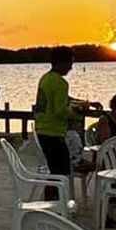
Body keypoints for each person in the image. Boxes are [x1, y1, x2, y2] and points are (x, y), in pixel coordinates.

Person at [33, 47, 77, 180]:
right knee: (61, 172)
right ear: (62, 63)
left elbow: (61, 98)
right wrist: (77, 115)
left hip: (42, 129)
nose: (71, 68)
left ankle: (53, 198)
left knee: (54, 170)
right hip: (54, 132)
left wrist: (82, 102)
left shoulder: (45, 78)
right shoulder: (61, 83)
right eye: (70, 63)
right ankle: (56, 199)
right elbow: (60, 110)